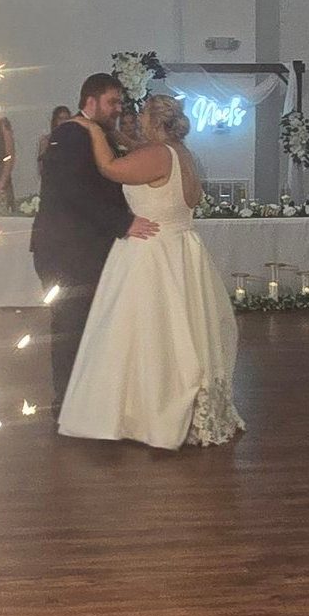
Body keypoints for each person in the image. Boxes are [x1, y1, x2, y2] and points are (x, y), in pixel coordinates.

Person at [58, 94, 244, 449]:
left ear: (155, 120)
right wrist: (117, 135)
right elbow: (137, 153)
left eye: (143, 112)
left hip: (152, 250)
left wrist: (93, 130)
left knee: (146, 332)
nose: (138, 116)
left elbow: (110, 168)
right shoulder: (180, 152)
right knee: (179, 331)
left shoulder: (158, 155)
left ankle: (147, 414)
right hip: (181, 248)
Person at [30, 73, 159, 416]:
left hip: (84, 248)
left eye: (119, 103)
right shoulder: (71, 134)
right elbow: (74, 192)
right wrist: (124, 222)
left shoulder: (97, 133)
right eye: (112, 102)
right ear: (91, 101)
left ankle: (85, 397)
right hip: (65, 251)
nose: (118, 109)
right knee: (70, 325)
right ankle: (66, 403)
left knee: (90, 323)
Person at [37, 105, 72, 181]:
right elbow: (41, 164)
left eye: (66, 118)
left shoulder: (74, 140)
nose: (63, 122)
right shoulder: (46, 140)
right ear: (55, 120)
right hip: (52, 180)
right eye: (60, 119)